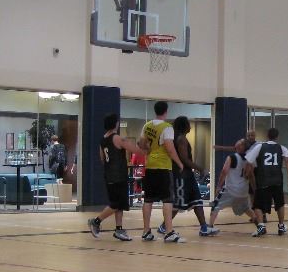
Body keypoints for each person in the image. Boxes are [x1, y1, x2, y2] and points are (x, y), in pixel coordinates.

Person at [88, 114, 145, 241]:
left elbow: (102, 159)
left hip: (109, 175)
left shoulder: (103, 140)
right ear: (115, 124)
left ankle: (119, 229)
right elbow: (135, 149)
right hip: (118, 175)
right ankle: (96, 221)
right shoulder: (117, 138)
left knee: (120, 204)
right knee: (116, 204)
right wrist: (146, 149)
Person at [138, 101, 185, 243]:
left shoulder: (147, 125)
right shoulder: (167, 127)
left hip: (150, 165)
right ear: (166, 111)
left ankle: (146, 231)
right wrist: (179, 163)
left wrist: (149, 151)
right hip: (163, 167)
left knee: (148, 199)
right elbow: (170, 149)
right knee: (167, 199)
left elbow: (142, 143)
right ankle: (169, 232)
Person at [157, 116, 211, 236]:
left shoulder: (177, 138)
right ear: (184, 126)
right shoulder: (181, 139)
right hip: (181, 176)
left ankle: (204, 227)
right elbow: (184, 159)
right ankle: (164, 226)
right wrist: (201, 168)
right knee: (178, 204)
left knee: (197, 201)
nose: (190, 126)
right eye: (188, 124)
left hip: (188, 176)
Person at [245, 127, 288, 236]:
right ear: (277, 137)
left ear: (267, 136)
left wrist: (247, 174)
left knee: (257, 204)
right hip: (277, 180)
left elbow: (248, 161)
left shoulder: (259, 147)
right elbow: (287, 162)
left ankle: (261, 226)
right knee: (280, 203)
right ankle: (281, 226)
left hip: (263, 180)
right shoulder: (282, 148)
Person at [208, 139, 258, 232]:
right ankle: (260, 226)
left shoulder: (232, 157)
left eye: (240, 141)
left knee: (215, 205)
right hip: (243, 192)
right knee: (246, 209)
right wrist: (255, 190)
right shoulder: (249, 160)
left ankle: (209, 227)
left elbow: (224, 171)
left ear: (241, 146)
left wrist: (219, 186)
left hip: (231, 189)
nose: (237, 141)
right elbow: (251, 177)